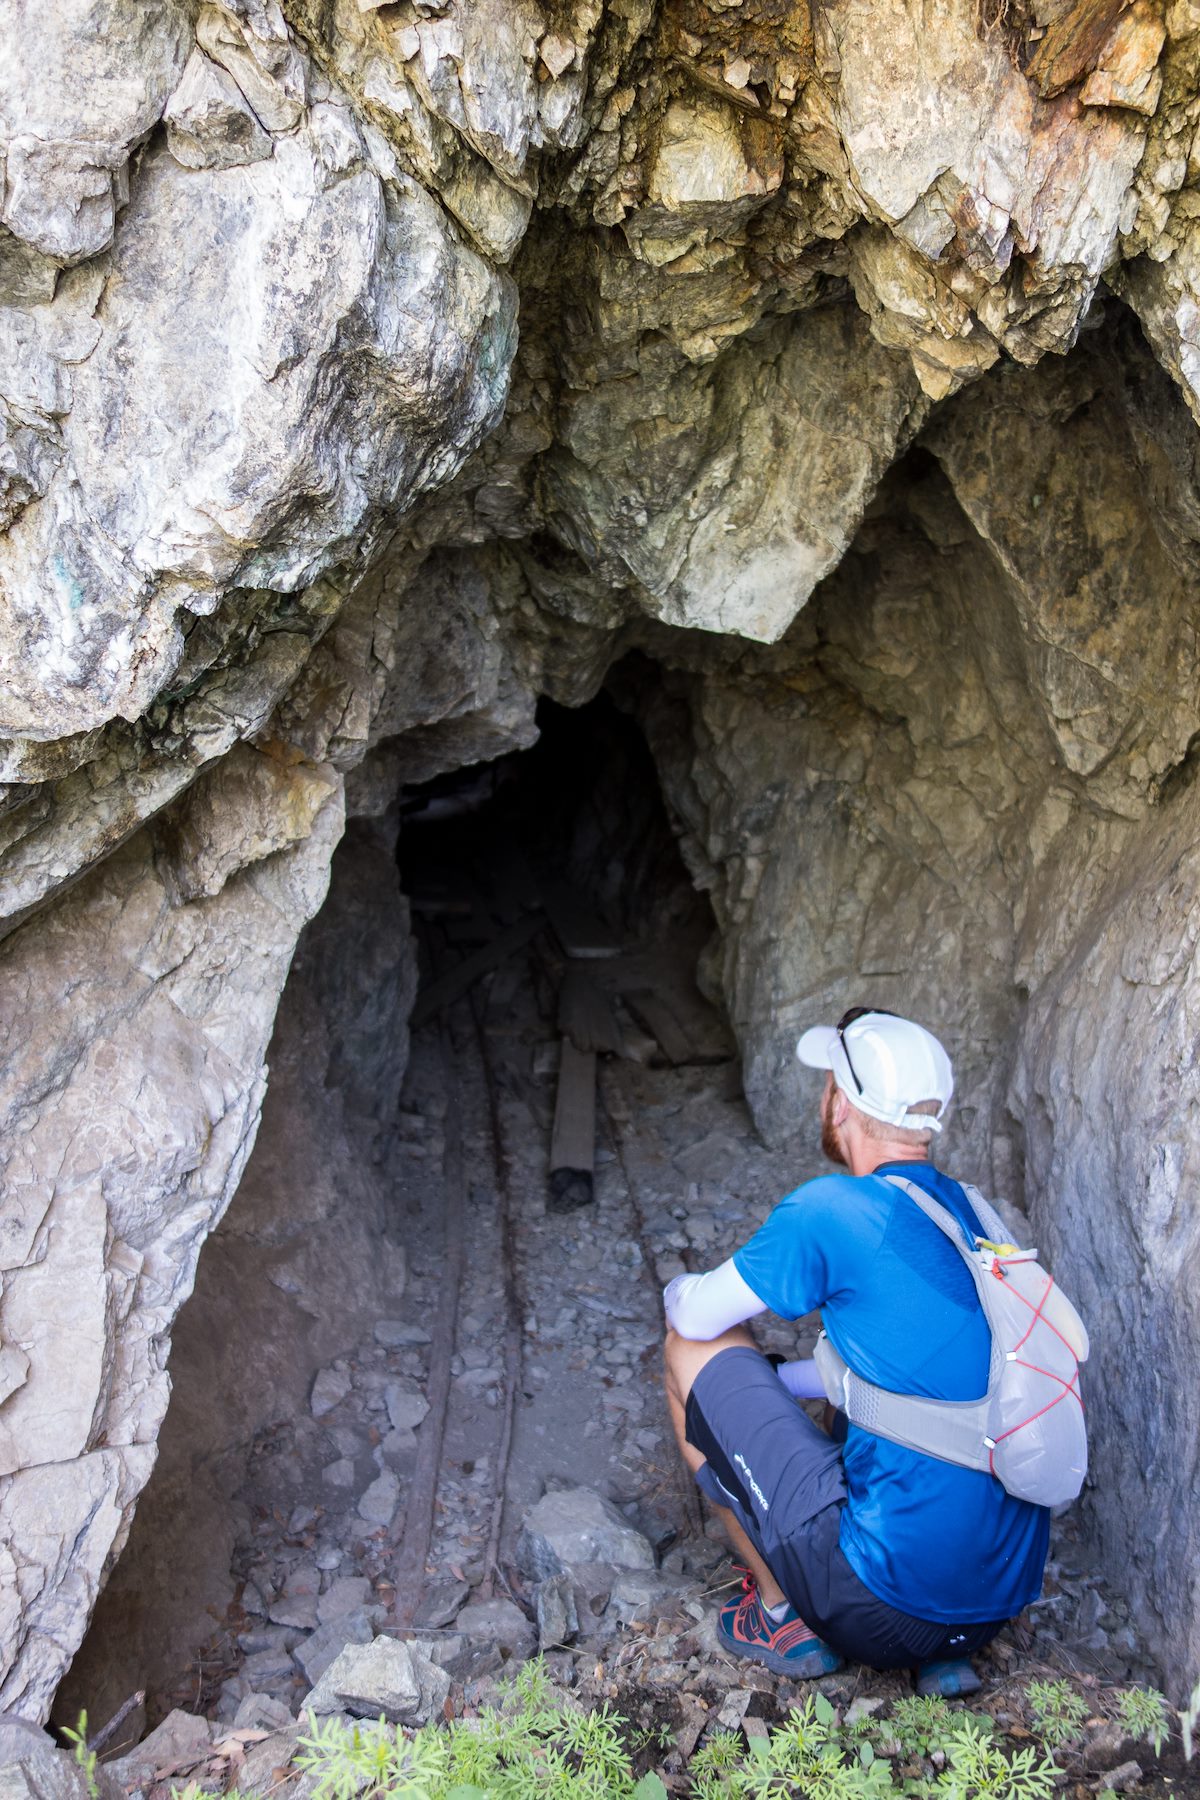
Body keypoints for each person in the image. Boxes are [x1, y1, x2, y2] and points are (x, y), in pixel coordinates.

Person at [662, 1007, 1049, 1692]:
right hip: (992, 1607)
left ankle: (781, 1613)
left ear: (840, 1101)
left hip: (878, 1610)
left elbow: (698, 1317)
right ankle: (942, 1656)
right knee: (856, 1374)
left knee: (691, 1349)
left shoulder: (833, 1208)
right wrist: (790, 1385)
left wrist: (676, 1289)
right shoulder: (974, 1217)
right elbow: (909, 1386)